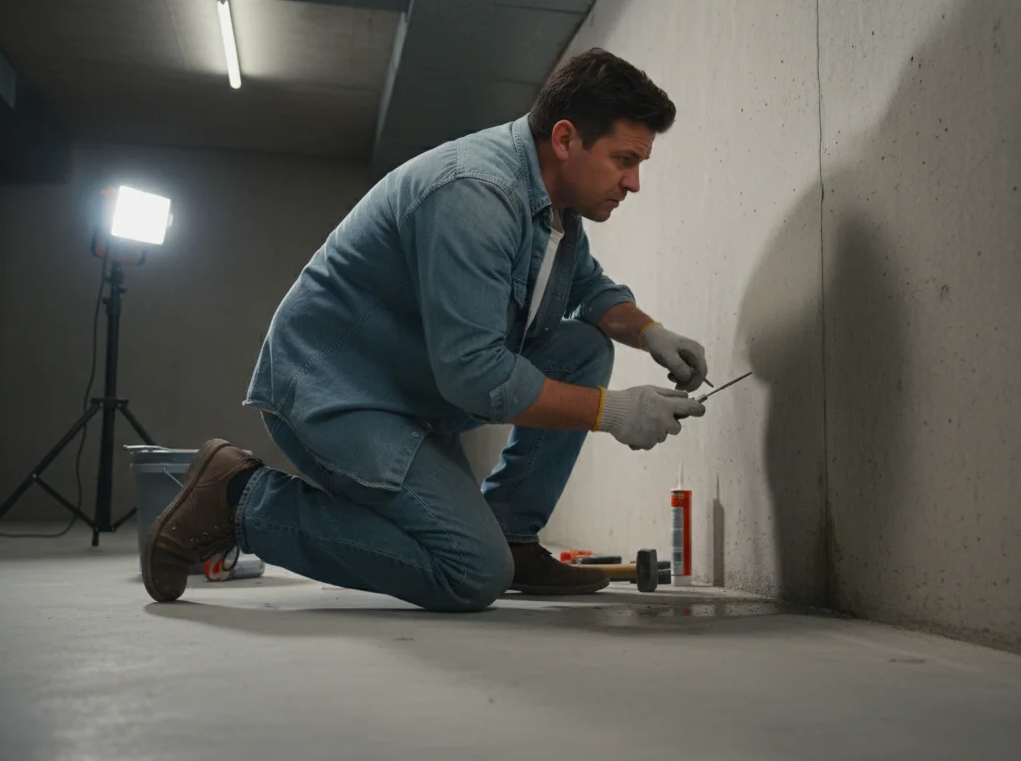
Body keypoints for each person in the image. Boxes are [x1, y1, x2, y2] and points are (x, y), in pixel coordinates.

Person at [140, 48, 711, 611]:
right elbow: (476, 374)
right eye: (624, 160)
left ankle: (513, 535)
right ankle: (237, 500)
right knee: (470, 572)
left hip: (410, 388)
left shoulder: (554, 205)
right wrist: (613, 413)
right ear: (565, 140)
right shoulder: (476, 195)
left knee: (582, 347)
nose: (633, 182)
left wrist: (651, 333)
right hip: (340, 393)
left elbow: (587, 287)